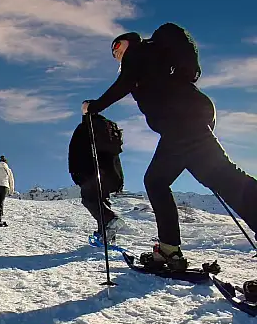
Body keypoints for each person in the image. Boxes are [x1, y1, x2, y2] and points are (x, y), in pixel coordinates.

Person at [82, 25, 257, 271]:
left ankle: (168, 249)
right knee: (224, 179)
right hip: (192, 118)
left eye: (117, 46)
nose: (116, 53)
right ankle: (169, 249)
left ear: (129, 42)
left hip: (181, 123)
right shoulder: (155, 59)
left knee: (157, 181)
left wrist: (94, 106)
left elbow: (124, 84)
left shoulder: (140, 54)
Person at [68, 113, 125, 242]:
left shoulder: (86, 127)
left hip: (91, 171)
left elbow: (77, 151)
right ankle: (106, 234)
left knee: (89, 199)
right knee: (101, 200)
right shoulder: (109, 127)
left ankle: (110, 220)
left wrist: (76, 172)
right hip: (110, 171)